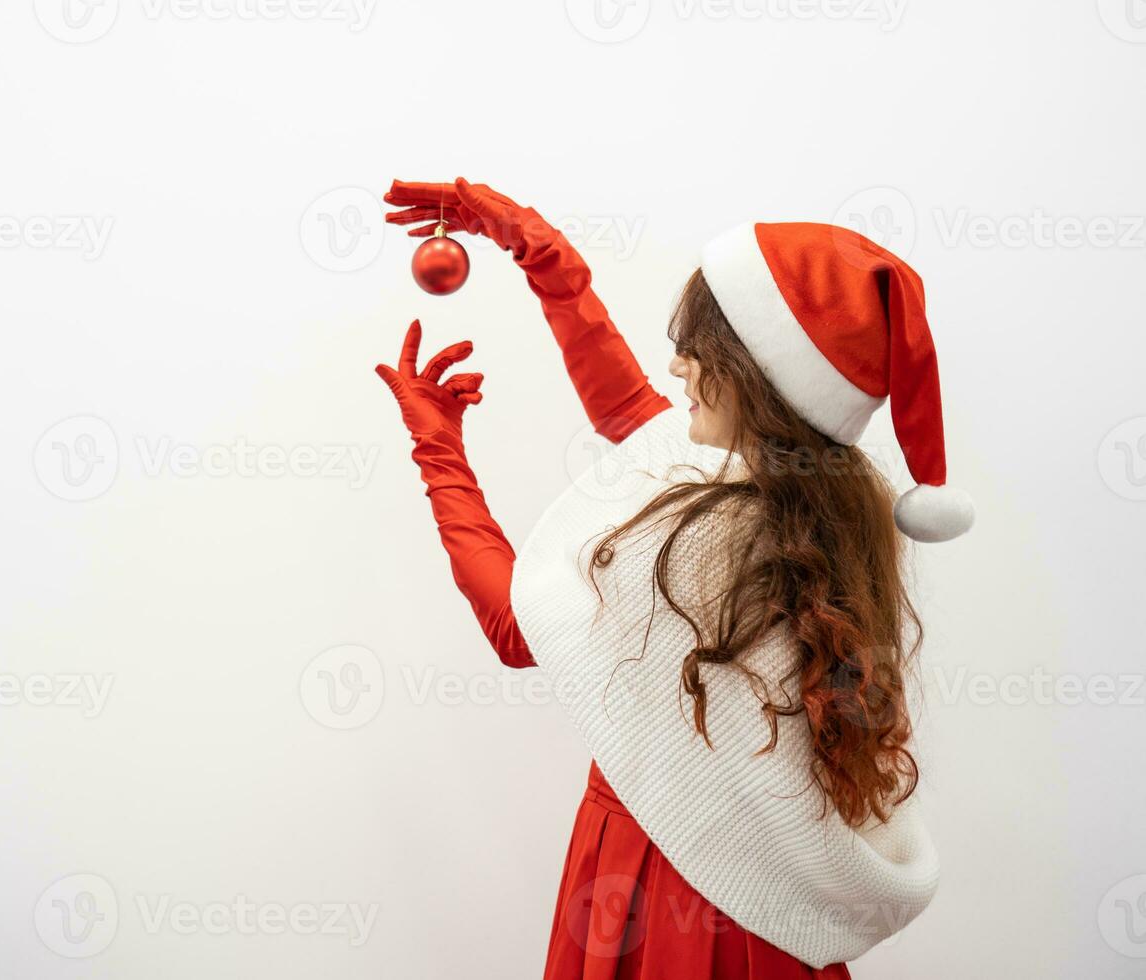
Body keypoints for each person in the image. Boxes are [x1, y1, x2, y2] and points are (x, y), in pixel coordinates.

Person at [374, 179, 974, 978]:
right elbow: (632, 413)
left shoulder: (711, 541)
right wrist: (542, 257)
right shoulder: (820, 498)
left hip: (664, 887)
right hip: (758, 903)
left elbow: (520, 629)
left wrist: (438, 449)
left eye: (701, 350)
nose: (678, 366)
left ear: (760, 378)